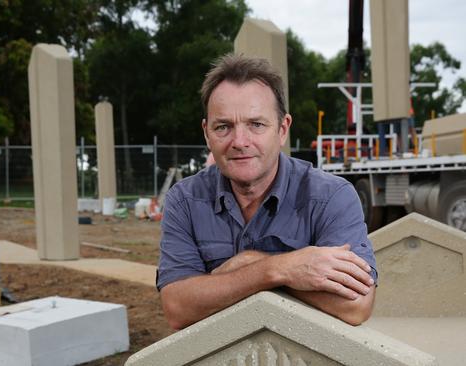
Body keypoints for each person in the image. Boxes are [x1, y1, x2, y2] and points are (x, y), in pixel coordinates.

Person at [157, 54, 377, 330]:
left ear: (282, 129)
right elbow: (177, 308)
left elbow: (355, 306)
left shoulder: (331, 197)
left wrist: (247, 264)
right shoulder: (185, 200)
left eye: (256, 125)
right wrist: (279, 269)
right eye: (223, 126)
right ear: (206, 133)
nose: (239, 142)